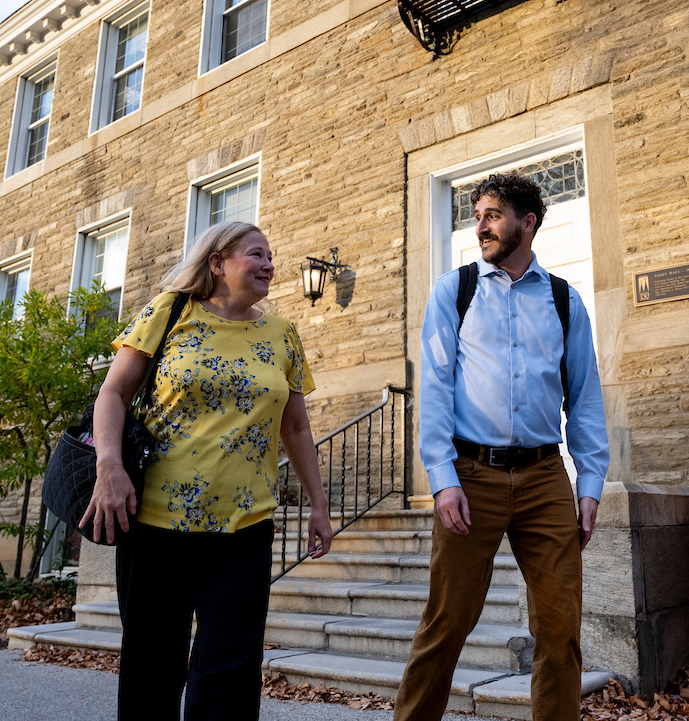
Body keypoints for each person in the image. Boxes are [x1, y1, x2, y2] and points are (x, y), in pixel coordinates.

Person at [80, 220, 333, 721]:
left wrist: (318, 504)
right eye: (255, 254)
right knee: (152, 671)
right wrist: (108, 464)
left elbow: (297, 429)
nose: (269, 264)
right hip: (154, 523)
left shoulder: (283, 334)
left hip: (243, 531)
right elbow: (112, 393)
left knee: (230, 676)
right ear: (217, 262)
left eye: (270, 255)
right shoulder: (169, 311)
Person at [394, 172, 610, 721]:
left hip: (545, 479)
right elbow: (436, 387)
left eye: (492, 214)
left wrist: (589, 484)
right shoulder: (455, 289)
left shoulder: (564, 300)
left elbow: (583, 397)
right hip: (471, 476)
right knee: (445, 626)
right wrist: (442, 478)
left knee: (561, 634)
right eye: (478, 214)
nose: (480, 226)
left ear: (527, 222)